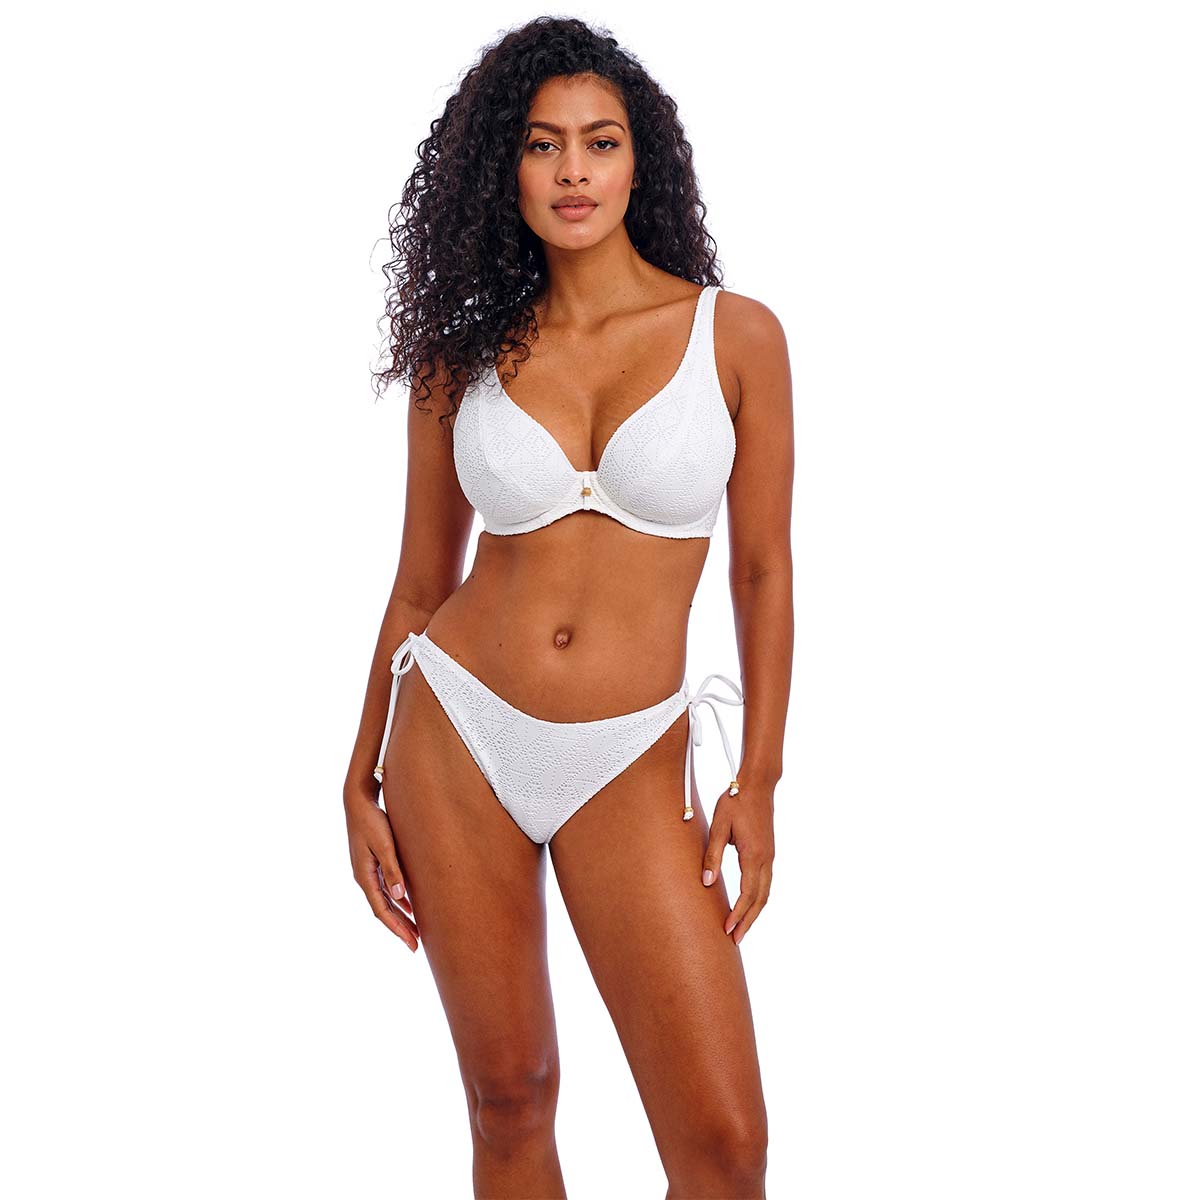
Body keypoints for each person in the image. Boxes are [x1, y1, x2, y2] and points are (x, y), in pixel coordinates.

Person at [342, 16, 793, 1198]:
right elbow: (419, 581)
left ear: (643, 161)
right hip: (456, 732)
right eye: (543, 145)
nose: (573, 171)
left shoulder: (734, 336)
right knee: (510, 1097)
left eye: (601, 142)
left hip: (629, 755)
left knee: (724, 1149)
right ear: (508, 168)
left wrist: (758, 780)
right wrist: (358, 776)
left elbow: (761, 571)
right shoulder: (460, 357)